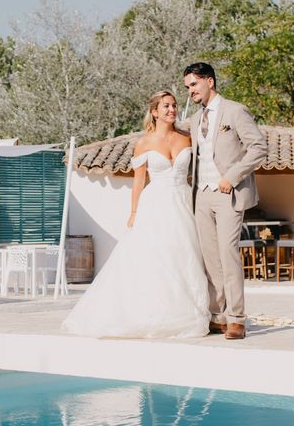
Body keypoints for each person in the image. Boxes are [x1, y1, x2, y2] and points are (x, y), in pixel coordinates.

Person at [62, 90, 210, 339]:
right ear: (154, 112)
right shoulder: (144, 143)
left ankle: (188, 311)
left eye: (174, 105)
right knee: (157, 258)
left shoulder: (187, 139)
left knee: (185, 256)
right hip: (156, 205)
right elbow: (138, 183)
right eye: (166, 106)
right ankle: (154, 311)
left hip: (183, 203)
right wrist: (133, 212)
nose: (172, 110)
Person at [183, 62, 267, 340]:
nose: (190, 91)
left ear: (209, 81)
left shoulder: (235, 110)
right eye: (187, 87)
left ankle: (237, 319)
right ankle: (218, 315)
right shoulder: (195, 120)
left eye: (193, 85)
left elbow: (259, 147)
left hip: (229, 192)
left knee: (228, 254)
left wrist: (232, 176)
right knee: (210, 258)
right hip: (202, 195)